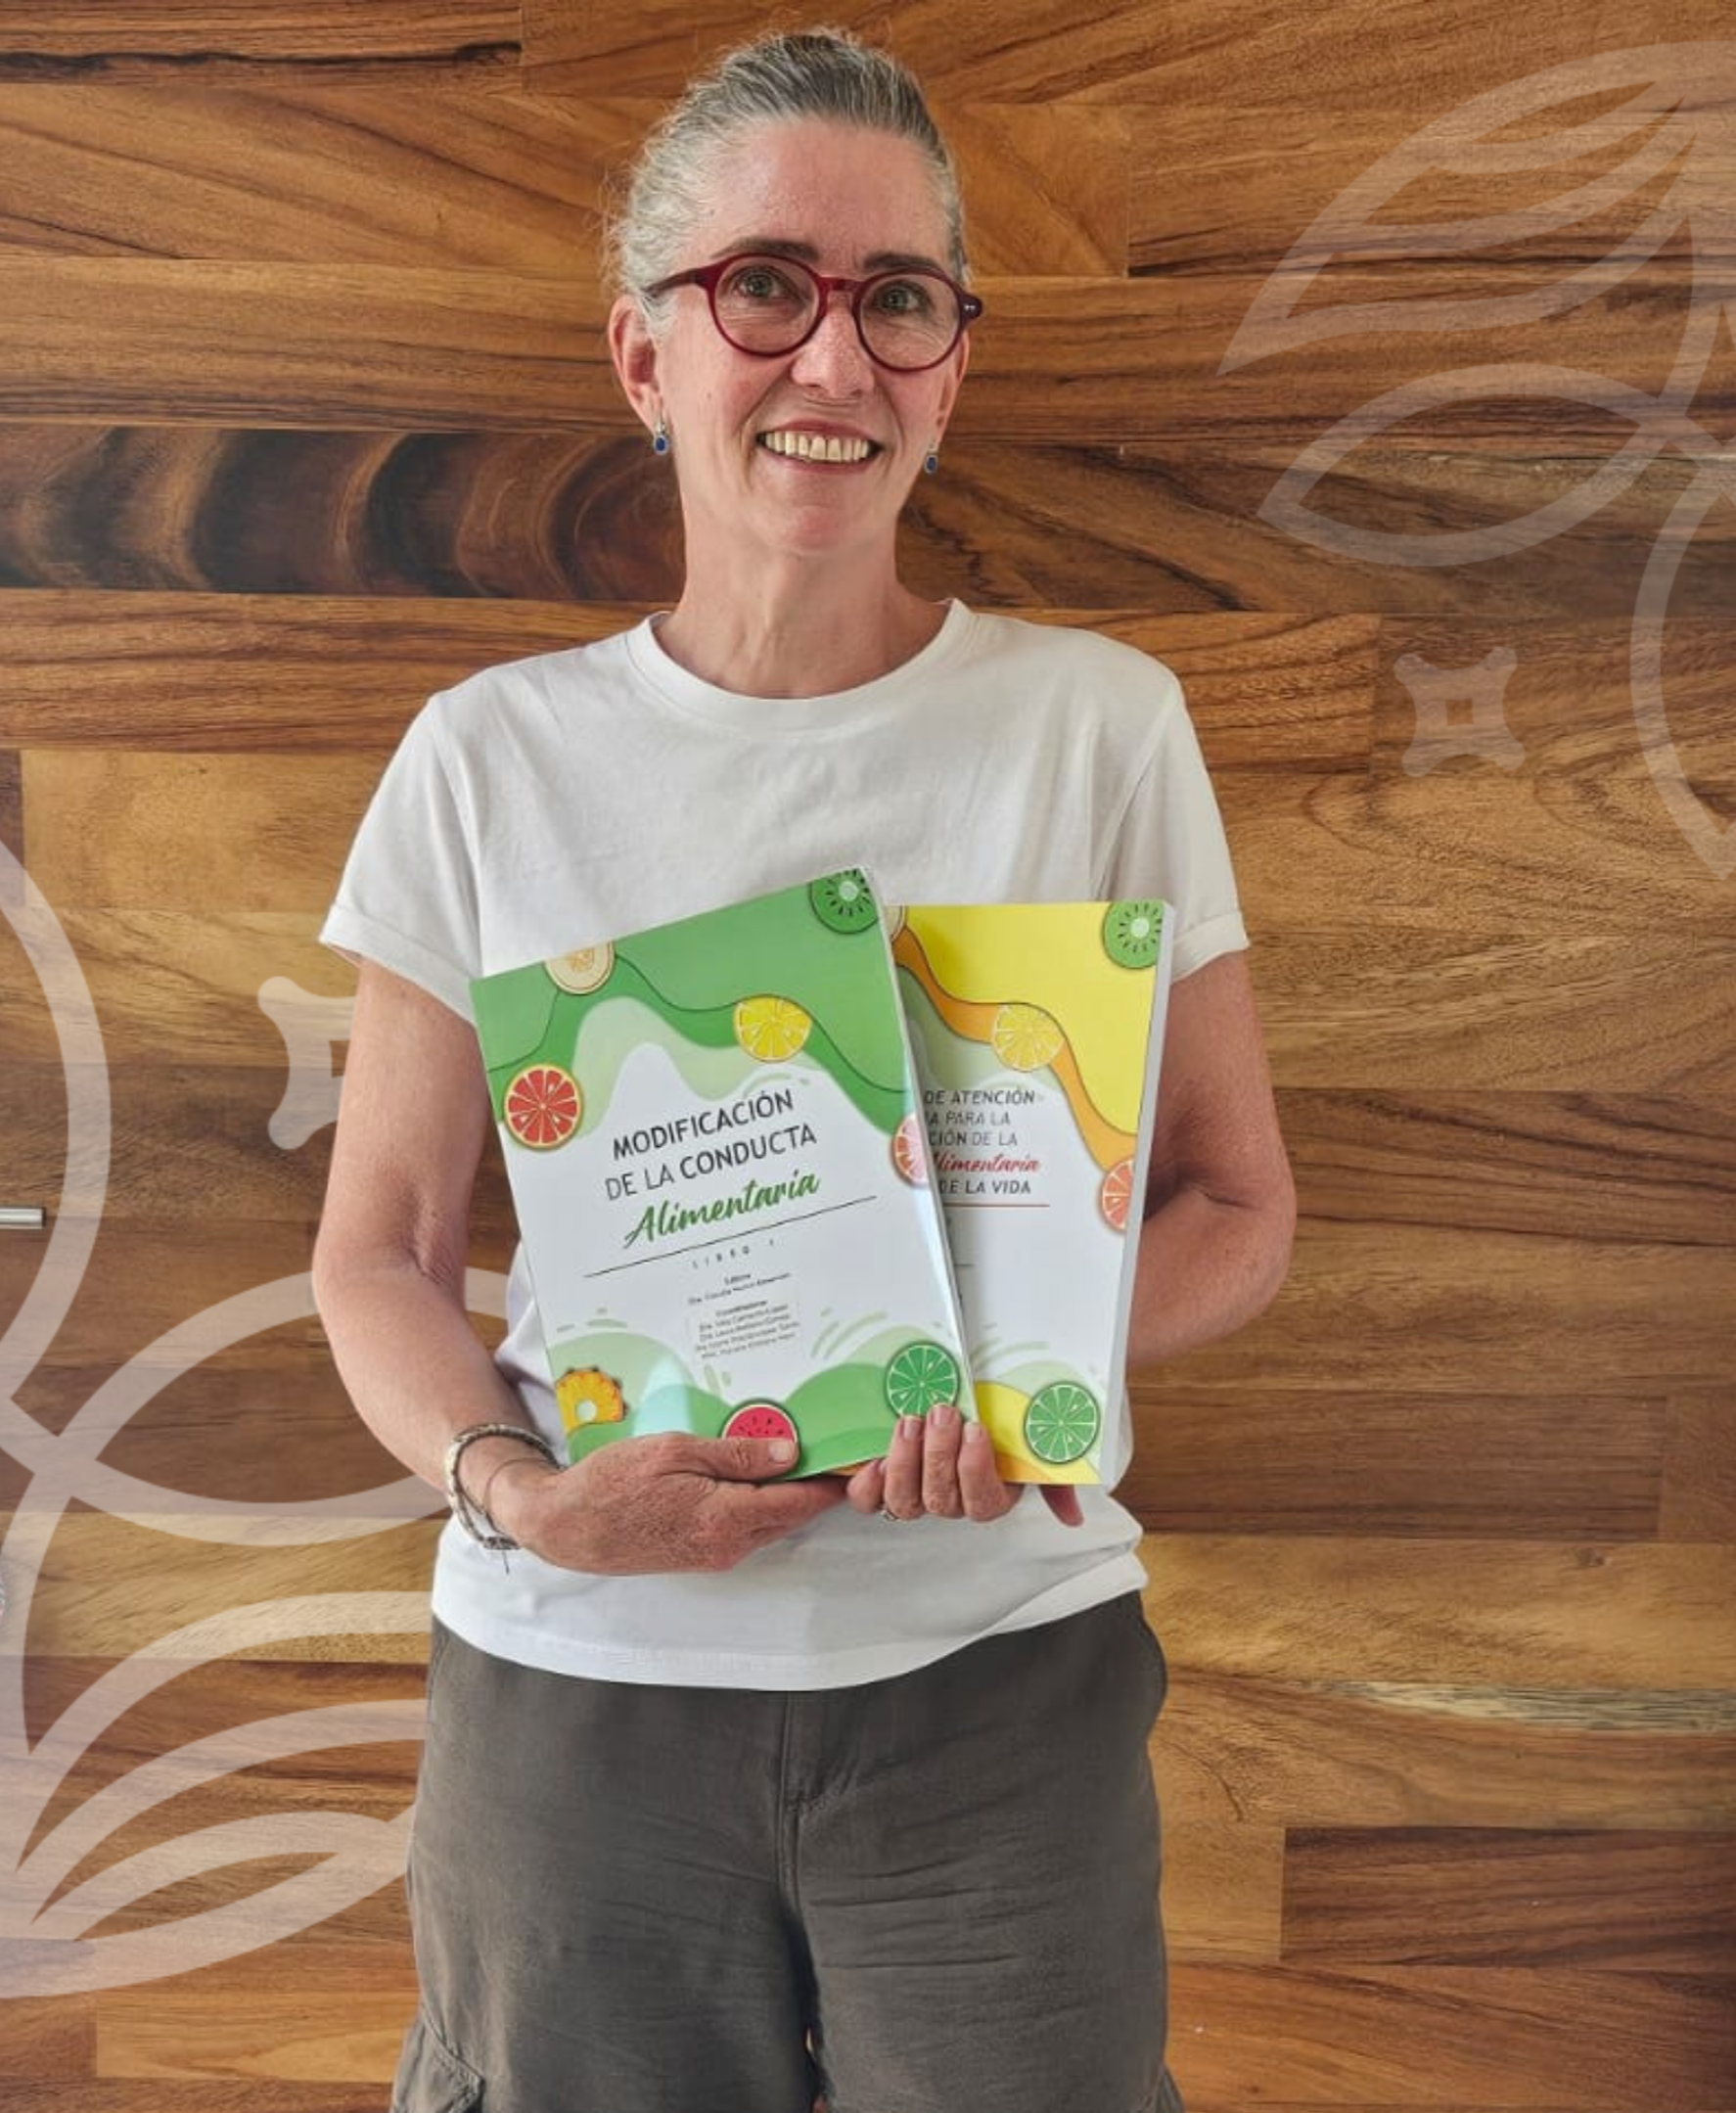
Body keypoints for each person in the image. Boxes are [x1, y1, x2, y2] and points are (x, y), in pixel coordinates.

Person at [313, 27, 1296, 2113]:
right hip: (578, 1685)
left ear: (949, 366)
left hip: (994, 1674)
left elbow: (1237, 1207)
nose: (832, 359)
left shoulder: (1098, 725)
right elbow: (375, 1251)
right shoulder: (485, 760)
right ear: (643, 352)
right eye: (763, 286)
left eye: (897, 298)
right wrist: (522, 1497)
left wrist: (1011, 1370)